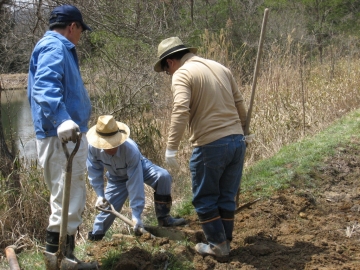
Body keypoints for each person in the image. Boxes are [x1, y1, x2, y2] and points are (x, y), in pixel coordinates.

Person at [154, 37, 248, 258]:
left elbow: (180, 109)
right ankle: (225, 242)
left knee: (204, 198)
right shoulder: (220, 67)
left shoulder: (182, 74)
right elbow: (239, 102)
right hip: (237, 141)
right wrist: (245, 132)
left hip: (211, 144)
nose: (169, 74)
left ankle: (217, 245)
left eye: (166, 70)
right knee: (226, 196)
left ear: (170, 62)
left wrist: (171, 147)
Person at [27, 4, 96, 268]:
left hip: (63, 136)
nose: (80, 36)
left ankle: (61, 259)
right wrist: (62, 119)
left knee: (68, 198)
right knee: (67, 198)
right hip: (61, 138)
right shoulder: (55, 47)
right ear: (72, 27)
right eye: (80, 30)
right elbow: (44, 86)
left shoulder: (55, 47)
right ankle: (61, 261)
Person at [86, 115, 186, 241]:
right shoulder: (92, 148)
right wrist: (100, 195)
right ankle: (95, 237)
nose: (110, 148)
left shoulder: (130, 149)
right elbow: (94, 171)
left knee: (163, 176)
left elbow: (135, 183)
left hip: (140, 167)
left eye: (112, 144)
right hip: (116, 178)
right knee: (107, 209)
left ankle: (164, 219)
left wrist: (136, 215)